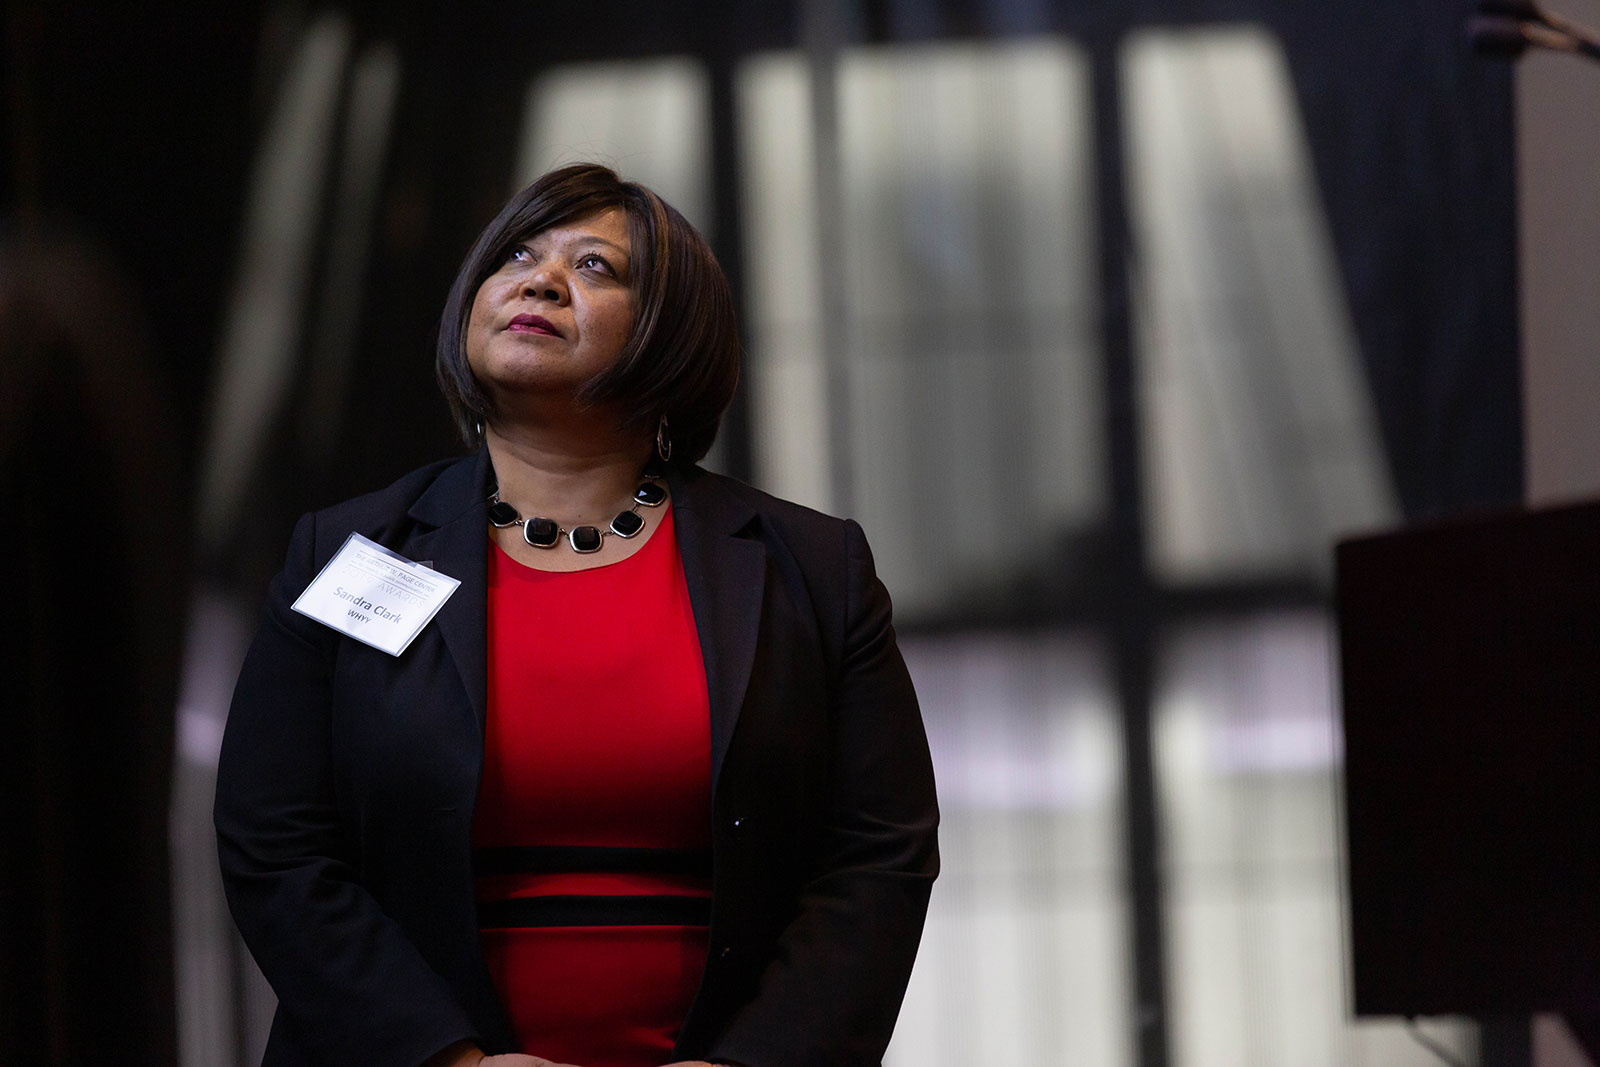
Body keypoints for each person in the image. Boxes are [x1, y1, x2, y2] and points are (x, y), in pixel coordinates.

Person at [214, 163, 939, 1067]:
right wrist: (449, 1061)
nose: (541, 278)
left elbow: (879, 853)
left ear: (672, 335)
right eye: (516, 254)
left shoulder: (811, 568)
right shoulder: (348, 552)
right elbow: (274, 841)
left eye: (595, 267)